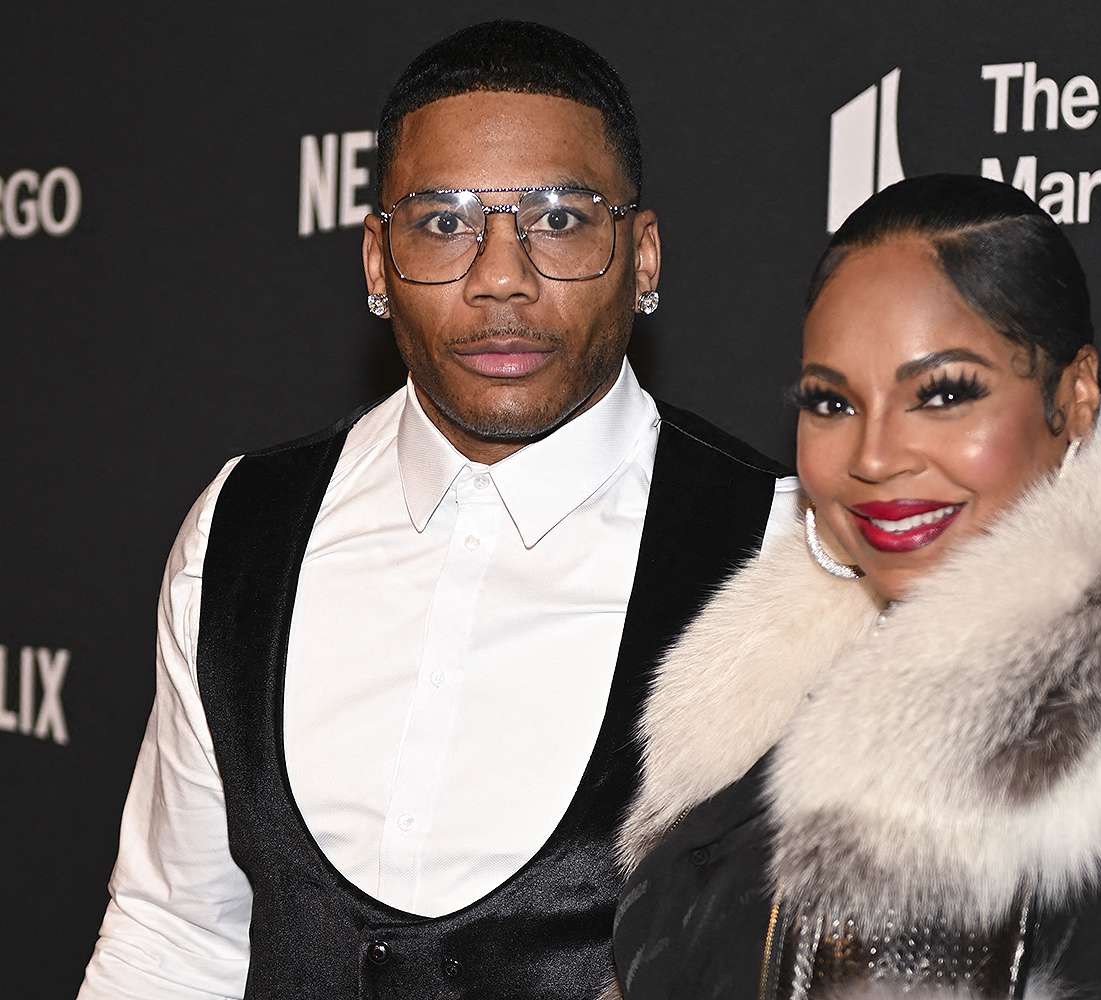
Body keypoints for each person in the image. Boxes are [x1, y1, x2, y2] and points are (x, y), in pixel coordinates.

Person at [78, 20, 795, 1000]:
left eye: (560, 219)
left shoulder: (779, 549)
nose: (501, 276)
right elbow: (173, 937)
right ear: (378, 261)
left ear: (644, 255)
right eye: (445, 222)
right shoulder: (241, 528)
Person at [610, 175, 1101, 999]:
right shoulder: (766, 695)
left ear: (1074, 400)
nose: (873, 456)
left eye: (941, 394)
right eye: (832, 401)